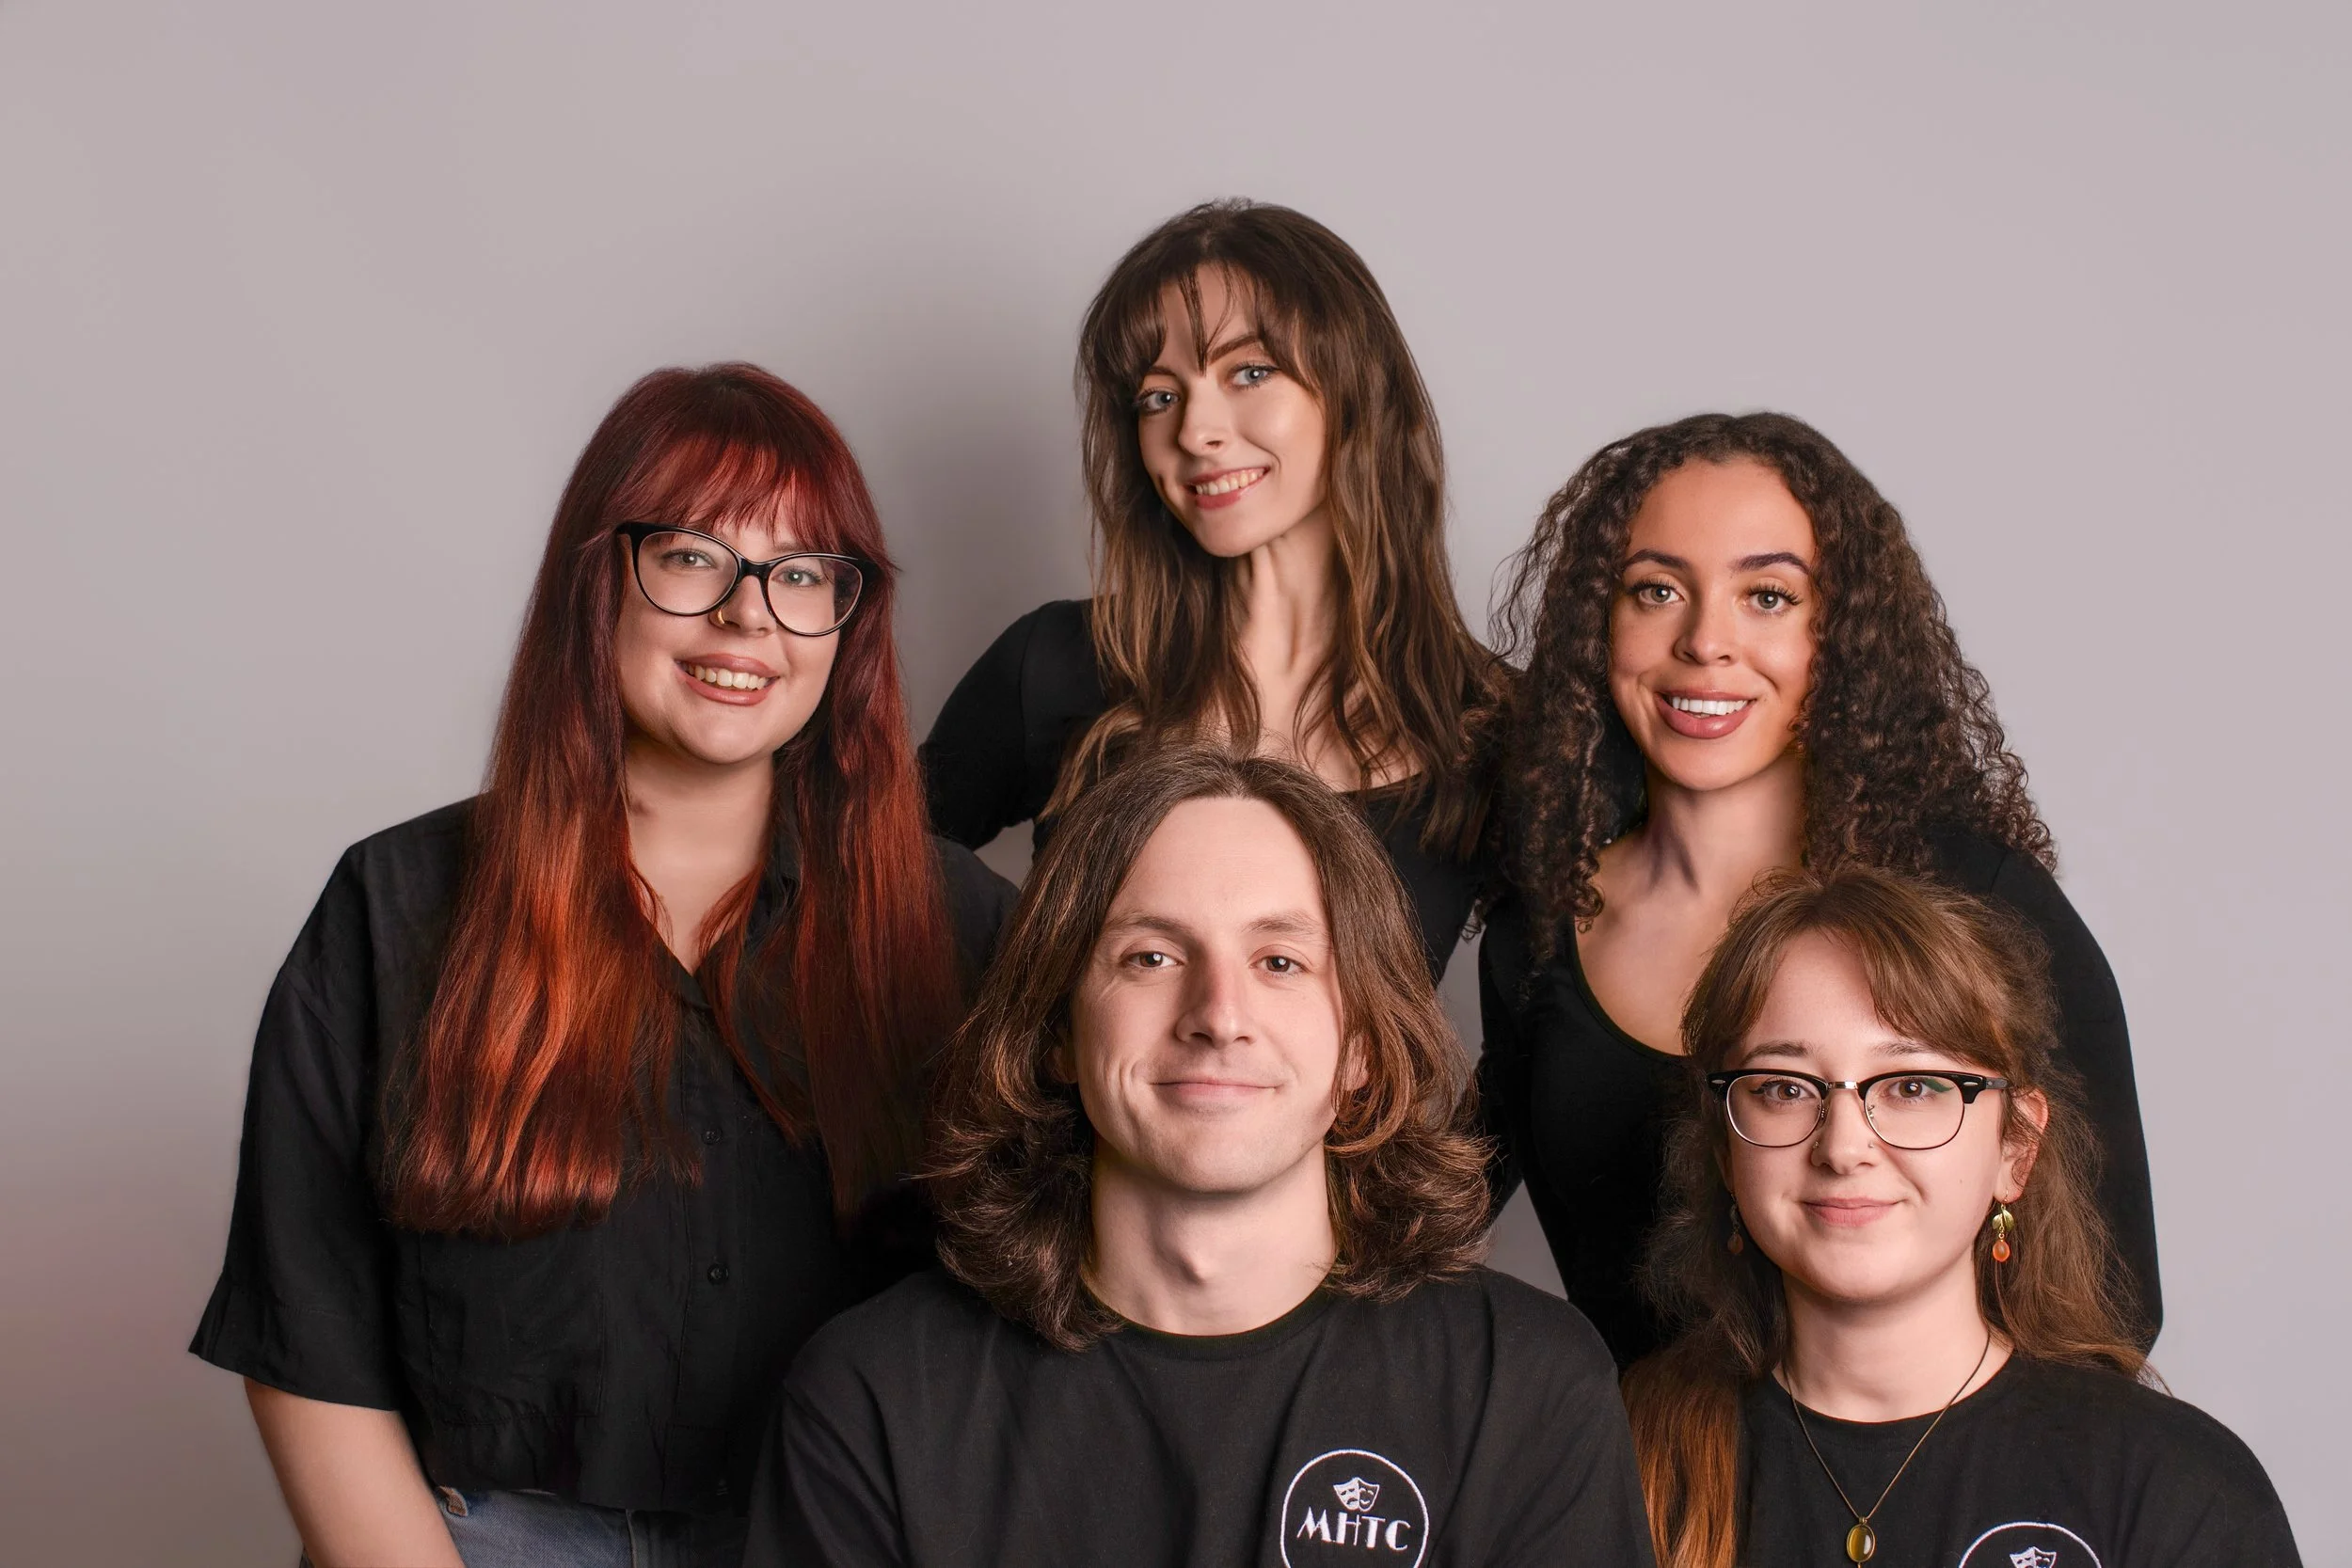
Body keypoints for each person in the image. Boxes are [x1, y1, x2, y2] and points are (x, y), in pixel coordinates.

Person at [190, 364, 1016, 1568]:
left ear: (848, 620)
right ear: (599, 579)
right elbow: (306, 1334)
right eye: (691, 556)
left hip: (837, 1538)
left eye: (799, 574)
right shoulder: (398, 907)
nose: (748, 617)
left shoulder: (960, 926)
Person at [747, 746, 1652, 1568]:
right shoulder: (874, 1400)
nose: (1219, 1014)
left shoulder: (1527, 1391)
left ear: (1364, 1048)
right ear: (1057, 1031)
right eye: (1151, 956)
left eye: (1280, 961)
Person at [1479, 411, 2159, 1365]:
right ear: (1599, 624)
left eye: (1766, 596)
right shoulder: (1537, 931)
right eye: (1657, 590)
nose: (1705, 641)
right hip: (1642, 1460)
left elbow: (2115, 1301)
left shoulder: (1979, 899)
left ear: (1840, 636)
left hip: (1934, 1454)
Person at [1624, 867, 2297, 1567]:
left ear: (2016, 1148)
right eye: (1785, 1088)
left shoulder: (2179, 1487)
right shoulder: (1622, 1457)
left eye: (1913, 1086)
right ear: (1727, 1151)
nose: (1844, 1147)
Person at [921, 199, 1506, 977]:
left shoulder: (1494, 727)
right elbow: (850, 876)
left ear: (1356, 388)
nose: (1195, 431)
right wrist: (1028, 993)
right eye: (1158, 397)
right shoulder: (1056, 663)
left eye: (1250, 372)